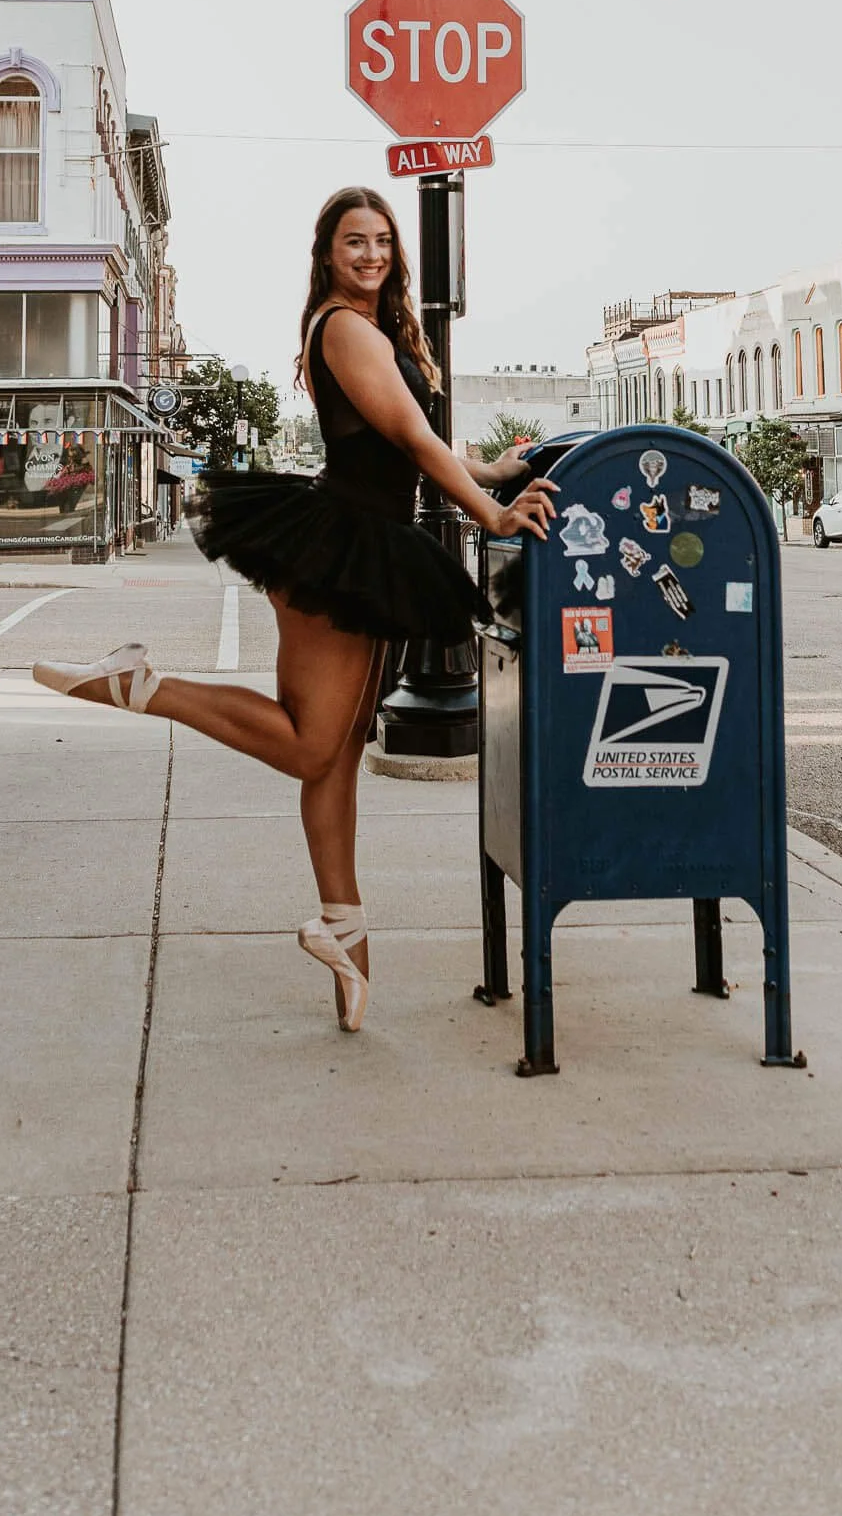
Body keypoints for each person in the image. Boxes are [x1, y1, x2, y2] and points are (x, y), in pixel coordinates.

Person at [33, 187, 555, 1033]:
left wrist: (491, 472)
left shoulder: (369, 330)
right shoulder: (346, 327)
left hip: (360, 542)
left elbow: (416, 440)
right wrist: (488, 514)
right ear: (326, 253)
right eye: (355, 242)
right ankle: (142, 683)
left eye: (382, 242)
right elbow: (414, 445)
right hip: (345, 547)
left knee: (336, 756)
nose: (373, 255)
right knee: (313, 744)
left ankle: (345, 937)